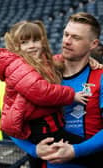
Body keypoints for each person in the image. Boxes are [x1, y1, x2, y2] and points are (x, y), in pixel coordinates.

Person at [11, 12, 103, 168]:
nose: (67, 41)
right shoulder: (37, 73)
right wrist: (34, 150)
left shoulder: (100, 76)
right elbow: (10, 120)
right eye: (66, 34)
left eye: (76, 38)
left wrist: (76, 150)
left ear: (93, 44)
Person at [0, 20, 88, 167]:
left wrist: (89, 59)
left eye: (36, 40)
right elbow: (42, 92)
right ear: (15, 46)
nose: (32, 45)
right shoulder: (17, 66)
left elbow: (53, 61)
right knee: (92, 154)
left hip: (49, 128)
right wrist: (72, 95)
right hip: (43, 132)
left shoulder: (37, 62)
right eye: (24, 42)